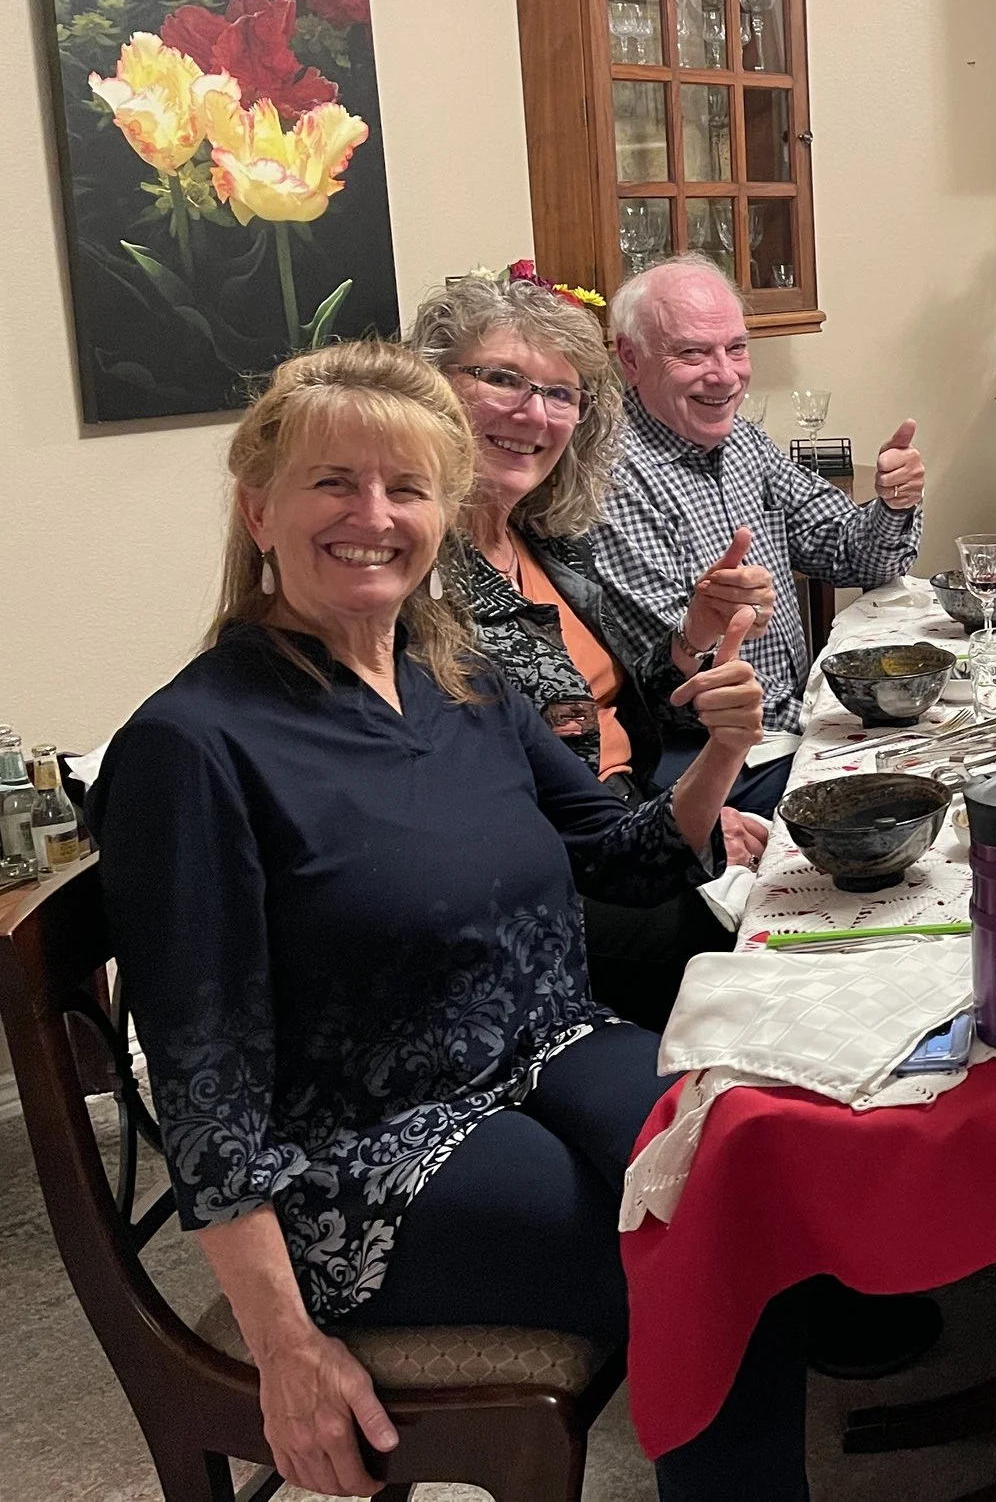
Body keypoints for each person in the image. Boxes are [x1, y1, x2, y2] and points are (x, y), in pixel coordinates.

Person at [87, 341, 814, 1500]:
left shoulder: (457, 675)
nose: (372, 516)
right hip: (358, 1141)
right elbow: (203, 1076)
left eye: (406, 488)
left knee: (745, 1177)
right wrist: (285, 1349)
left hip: (546, 1047)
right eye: (334, 482)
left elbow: (623, 863)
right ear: (257, 509)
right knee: (691, 1250)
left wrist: (722, 753)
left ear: (440, 511)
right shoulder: (194, 747)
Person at [410, 274, 764, 1029]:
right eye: (502, 378)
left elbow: (612, 706)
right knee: (765, 963)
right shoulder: (418, 577)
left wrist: (693, 634)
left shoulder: (544, 542)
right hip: (549, 890)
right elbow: (485, 799)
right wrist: (677, 824)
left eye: (560, 393)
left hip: (629, 827)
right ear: (430, 389)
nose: (533, 412)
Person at [591, 254, 927, 815]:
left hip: (791, 727)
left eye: (736, 347)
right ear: (630, 358)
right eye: (692, 352)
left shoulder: (742, 440)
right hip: (716, 760)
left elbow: (851, 552)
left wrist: (894, 503)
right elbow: (672, 694)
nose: (725, 375)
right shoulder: (613, 475)